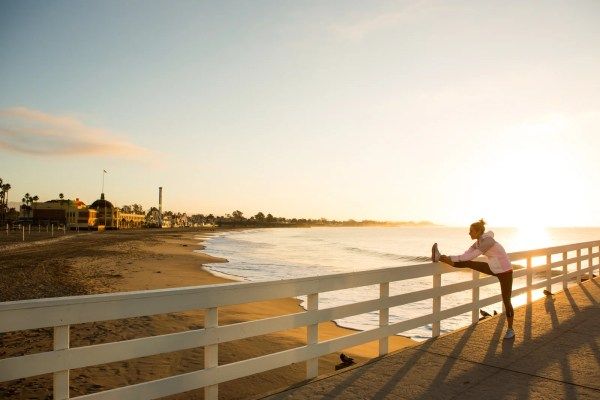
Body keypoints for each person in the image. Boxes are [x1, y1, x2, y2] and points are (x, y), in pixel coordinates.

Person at [432, 219, 515, 340]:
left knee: (506, 300)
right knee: (468, 263)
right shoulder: (479, 241)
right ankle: (438, 257)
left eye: (471, 231)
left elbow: (470, 256)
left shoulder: (487, 242)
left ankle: (510, 329)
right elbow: (467, 253)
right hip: (494, 268)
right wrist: (450, 257)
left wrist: (452, 257)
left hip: (506, 272)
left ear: (478, 232)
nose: (469, 233)